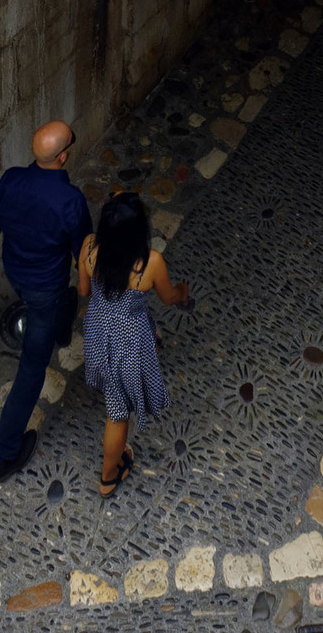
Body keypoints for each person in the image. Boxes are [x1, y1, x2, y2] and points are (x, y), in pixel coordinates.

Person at [0, 120, 92, 483]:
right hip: (45, 289)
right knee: (32, 368)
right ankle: (6, 452)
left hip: (17, 276)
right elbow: (84, 251)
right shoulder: (70, 201)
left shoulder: (10, 179)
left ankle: (62, 323)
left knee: (61, 305)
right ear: (64, 155)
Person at [77, 191, 191, 498]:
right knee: (118, 414)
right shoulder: (150, 262)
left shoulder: (88, 246)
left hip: (99, 332)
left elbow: (84, 290)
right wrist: (182, 292)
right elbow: (169, 299)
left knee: (115, 397)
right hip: (127, 344)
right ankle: (108, 476)